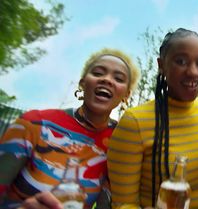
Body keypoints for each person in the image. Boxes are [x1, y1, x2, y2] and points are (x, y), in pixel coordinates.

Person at [0, 48, 140, 209]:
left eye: (118, 78)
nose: (107, 80)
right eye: (98, 73)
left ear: (126, 96)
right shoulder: (35, 123)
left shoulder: (121, 140)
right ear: (82, 83)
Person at [107, 28, 198, 209]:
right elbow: (124, 203)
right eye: (181, 61)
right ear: (161, 65)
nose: (194, 72)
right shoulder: (135, 122)